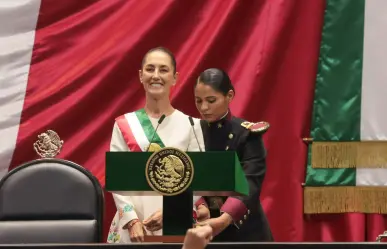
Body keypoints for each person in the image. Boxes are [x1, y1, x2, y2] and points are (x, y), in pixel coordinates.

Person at [107, 47, 204, 243]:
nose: (156, 75)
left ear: (175, 78)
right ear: (141, 76)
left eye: (163, 70)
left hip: (175, 226)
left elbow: (199, 180)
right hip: (132, 228)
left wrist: (170, 212)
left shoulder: (193, 125)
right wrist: (132, 220)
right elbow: (117, 179)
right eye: (150, 69)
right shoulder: (124, 124)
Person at [192, 68, 273, 242]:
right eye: (198, 101)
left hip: (243, 230)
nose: (204, 108)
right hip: (202, 226)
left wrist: (225, 218)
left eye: (211, 100)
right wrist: (199, 205)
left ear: (229, 96)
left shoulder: (246, 134)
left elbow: (250, 181)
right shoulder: (192, 131)